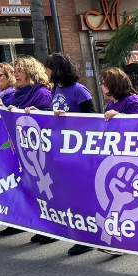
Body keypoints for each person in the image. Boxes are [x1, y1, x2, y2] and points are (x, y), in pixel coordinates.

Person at [0, 56, 54, 242]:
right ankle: (37, 224)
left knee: (44, 193)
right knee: (29, 190)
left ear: (30, 72)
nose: (16, 74)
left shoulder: (41, 93)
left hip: (40, 154)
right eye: (15, 70)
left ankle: (50, 230)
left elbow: (49, 121)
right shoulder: (19, 94)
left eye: (19, 70)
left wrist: (38, 113)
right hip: (23, 151)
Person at [44, 53, 99, 256]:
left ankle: (87, 237)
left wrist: (69, 118)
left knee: (81, 195)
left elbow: (92, 120)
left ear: (57, 69)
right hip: (62, 152)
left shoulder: (79, 91)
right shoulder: (54, 89)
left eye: (48, 67)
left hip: (79, 153)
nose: (45, 72)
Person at [0, 62, 24, 238]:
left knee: (15, 182)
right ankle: (10, 219)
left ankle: (18, 219)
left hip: (13, 146)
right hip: (0, 146)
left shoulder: (12, 96)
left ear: (8, 77)